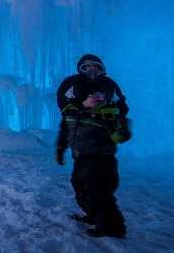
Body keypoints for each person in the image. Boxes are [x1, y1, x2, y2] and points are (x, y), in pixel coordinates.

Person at [55, 54, 130, 239]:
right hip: (80, 152)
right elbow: (66, 115)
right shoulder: (71, 84)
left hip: (101, 151)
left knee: (100, 190)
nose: (92, 70)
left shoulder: (109, 86)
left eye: (95, 66)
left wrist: (104, 110)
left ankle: (113, 227)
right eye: (87, 66)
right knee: (80, 186)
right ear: (81, 68)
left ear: (101, 68)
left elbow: (121, 108)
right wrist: (61, 147)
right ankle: (93, 216)